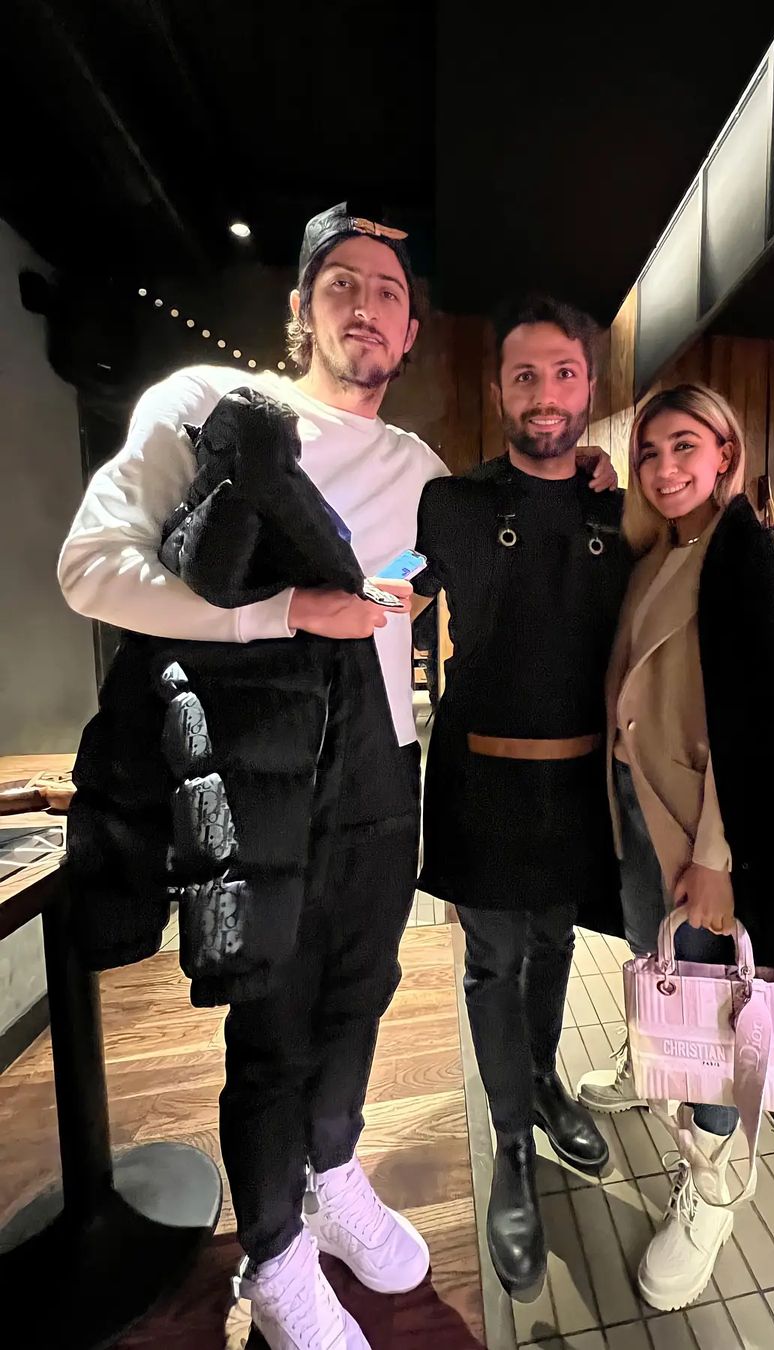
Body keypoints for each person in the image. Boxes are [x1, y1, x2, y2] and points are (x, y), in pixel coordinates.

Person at [58, 205, 448, 1350]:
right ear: (301, 309)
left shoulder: (422, 466)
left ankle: (332, 1170)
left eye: (387, 290)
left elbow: (450, 557)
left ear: (411, 330)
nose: (365, 304)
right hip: (261, 771)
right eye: (342, 282)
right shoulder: (213, 405)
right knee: (271, 1024)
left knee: (362, 992)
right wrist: (284, 612)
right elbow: (91, 567)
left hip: (385, 768)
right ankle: (273, 1256)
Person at [577, 383, 774, 1312]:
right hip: (641, 803)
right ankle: (650, 1055)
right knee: (664, 965)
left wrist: (721, 857)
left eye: (684, 446)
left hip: (704, 826)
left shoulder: (746, 555)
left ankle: (712, 1186)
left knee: (720, 1008)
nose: (664, 469)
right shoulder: (663, 551)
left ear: (726, 452)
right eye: (649, 453)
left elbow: (763, 720)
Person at [412, 295, 631, 1296]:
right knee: (493, 962)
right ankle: (510, 1150)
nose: (545, 394)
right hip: (482, 778)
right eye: (525, 376)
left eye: (564, 374)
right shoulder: (451, 505)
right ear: (500, 389)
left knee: (556, 942)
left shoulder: (618, 512)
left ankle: (542, 1083)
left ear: (590, 387)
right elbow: (389, 593)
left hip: (581, 780)